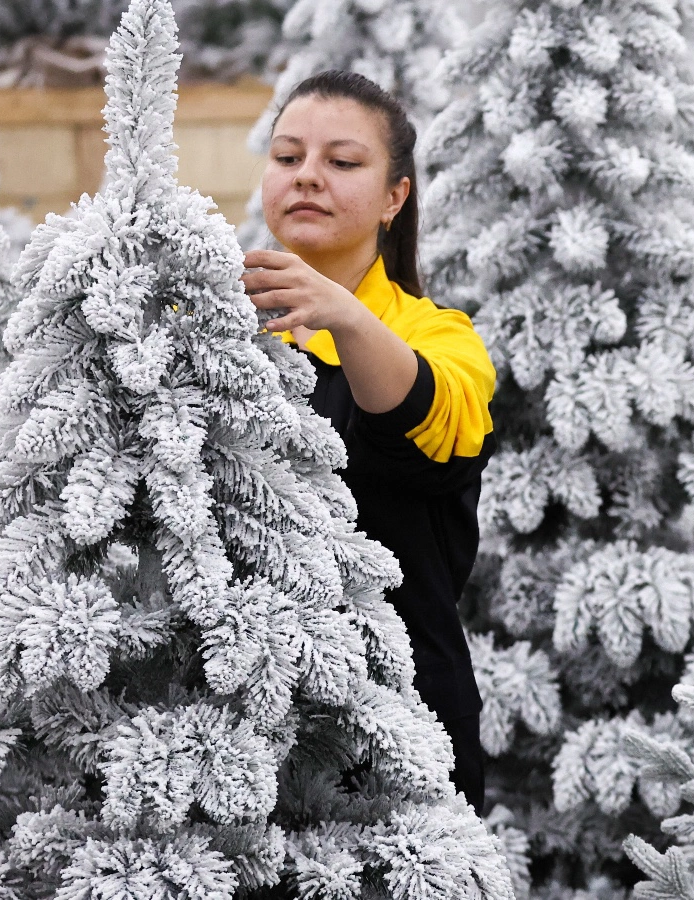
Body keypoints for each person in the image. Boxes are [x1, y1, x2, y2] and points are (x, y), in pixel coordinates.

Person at [240, 69, 493, 813]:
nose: (308, 176)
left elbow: (424, 427)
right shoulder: (220, 330)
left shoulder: (440, 336)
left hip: (400, 730)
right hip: (241, 732)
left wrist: (343, 317)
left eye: (342, 163)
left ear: (394, 196)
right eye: (288, 158)